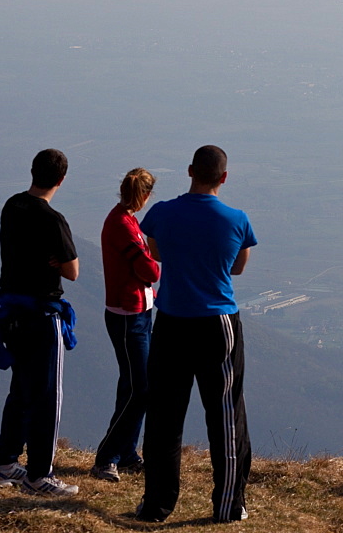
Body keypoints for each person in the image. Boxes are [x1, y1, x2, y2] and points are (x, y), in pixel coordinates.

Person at [137, 145, 257, 523]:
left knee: (163, 417)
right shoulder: (237, 220)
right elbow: (237, 268)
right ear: (224, 177)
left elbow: (156, 253)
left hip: (171, 320)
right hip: (217, 324)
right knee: (224, 415)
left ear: (190, 171)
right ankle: (228, 506)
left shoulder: (161, 214)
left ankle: (156, 506)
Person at [0, 149, 79, 496]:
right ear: (61, 179)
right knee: (47, 396)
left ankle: (5, 464)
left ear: (32, 172)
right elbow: (73, 270)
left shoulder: (13, 206)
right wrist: (55, 262)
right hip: (42, 314)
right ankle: (40, 475)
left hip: (12, 312)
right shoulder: (51, 218)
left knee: (20, 390)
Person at [91, 168, 160, 483]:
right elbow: (149, 269)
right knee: (140, 388)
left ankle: (128, 454)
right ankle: (107, 458)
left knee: (132, 385)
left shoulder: (126, 220)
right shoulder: (122, 224)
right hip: (127, 316)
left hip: (138, 311)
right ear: (144, 196)